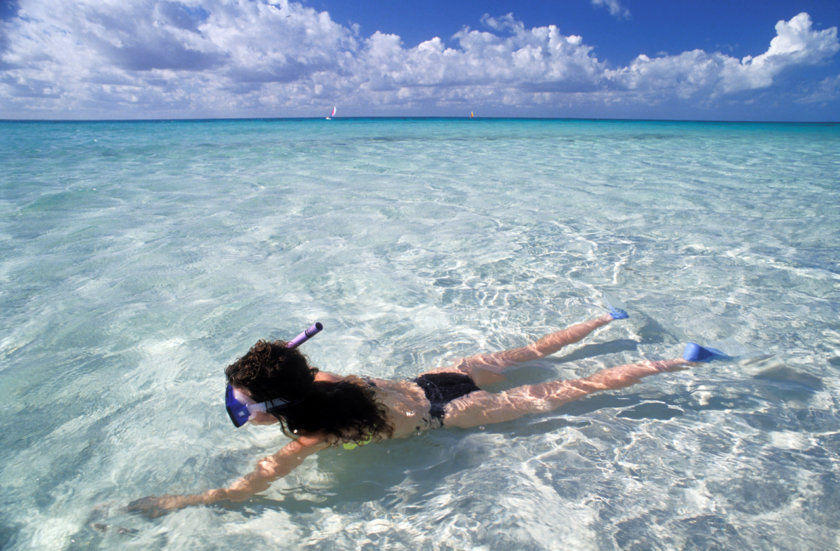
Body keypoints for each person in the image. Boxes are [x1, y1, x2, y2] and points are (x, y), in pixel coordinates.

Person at [128, 308, 725, 517]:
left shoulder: (315, 435)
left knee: (581, 389)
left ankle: (681, 363)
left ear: (279, 409)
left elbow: (245, 488)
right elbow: (292, 370)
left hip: (457, 412)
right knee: (540, 351)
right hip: (443, 374)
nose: (240, 412)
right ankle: (607, 319)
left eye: (242, 408)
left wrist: (181, 502)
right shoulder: (328, 379)